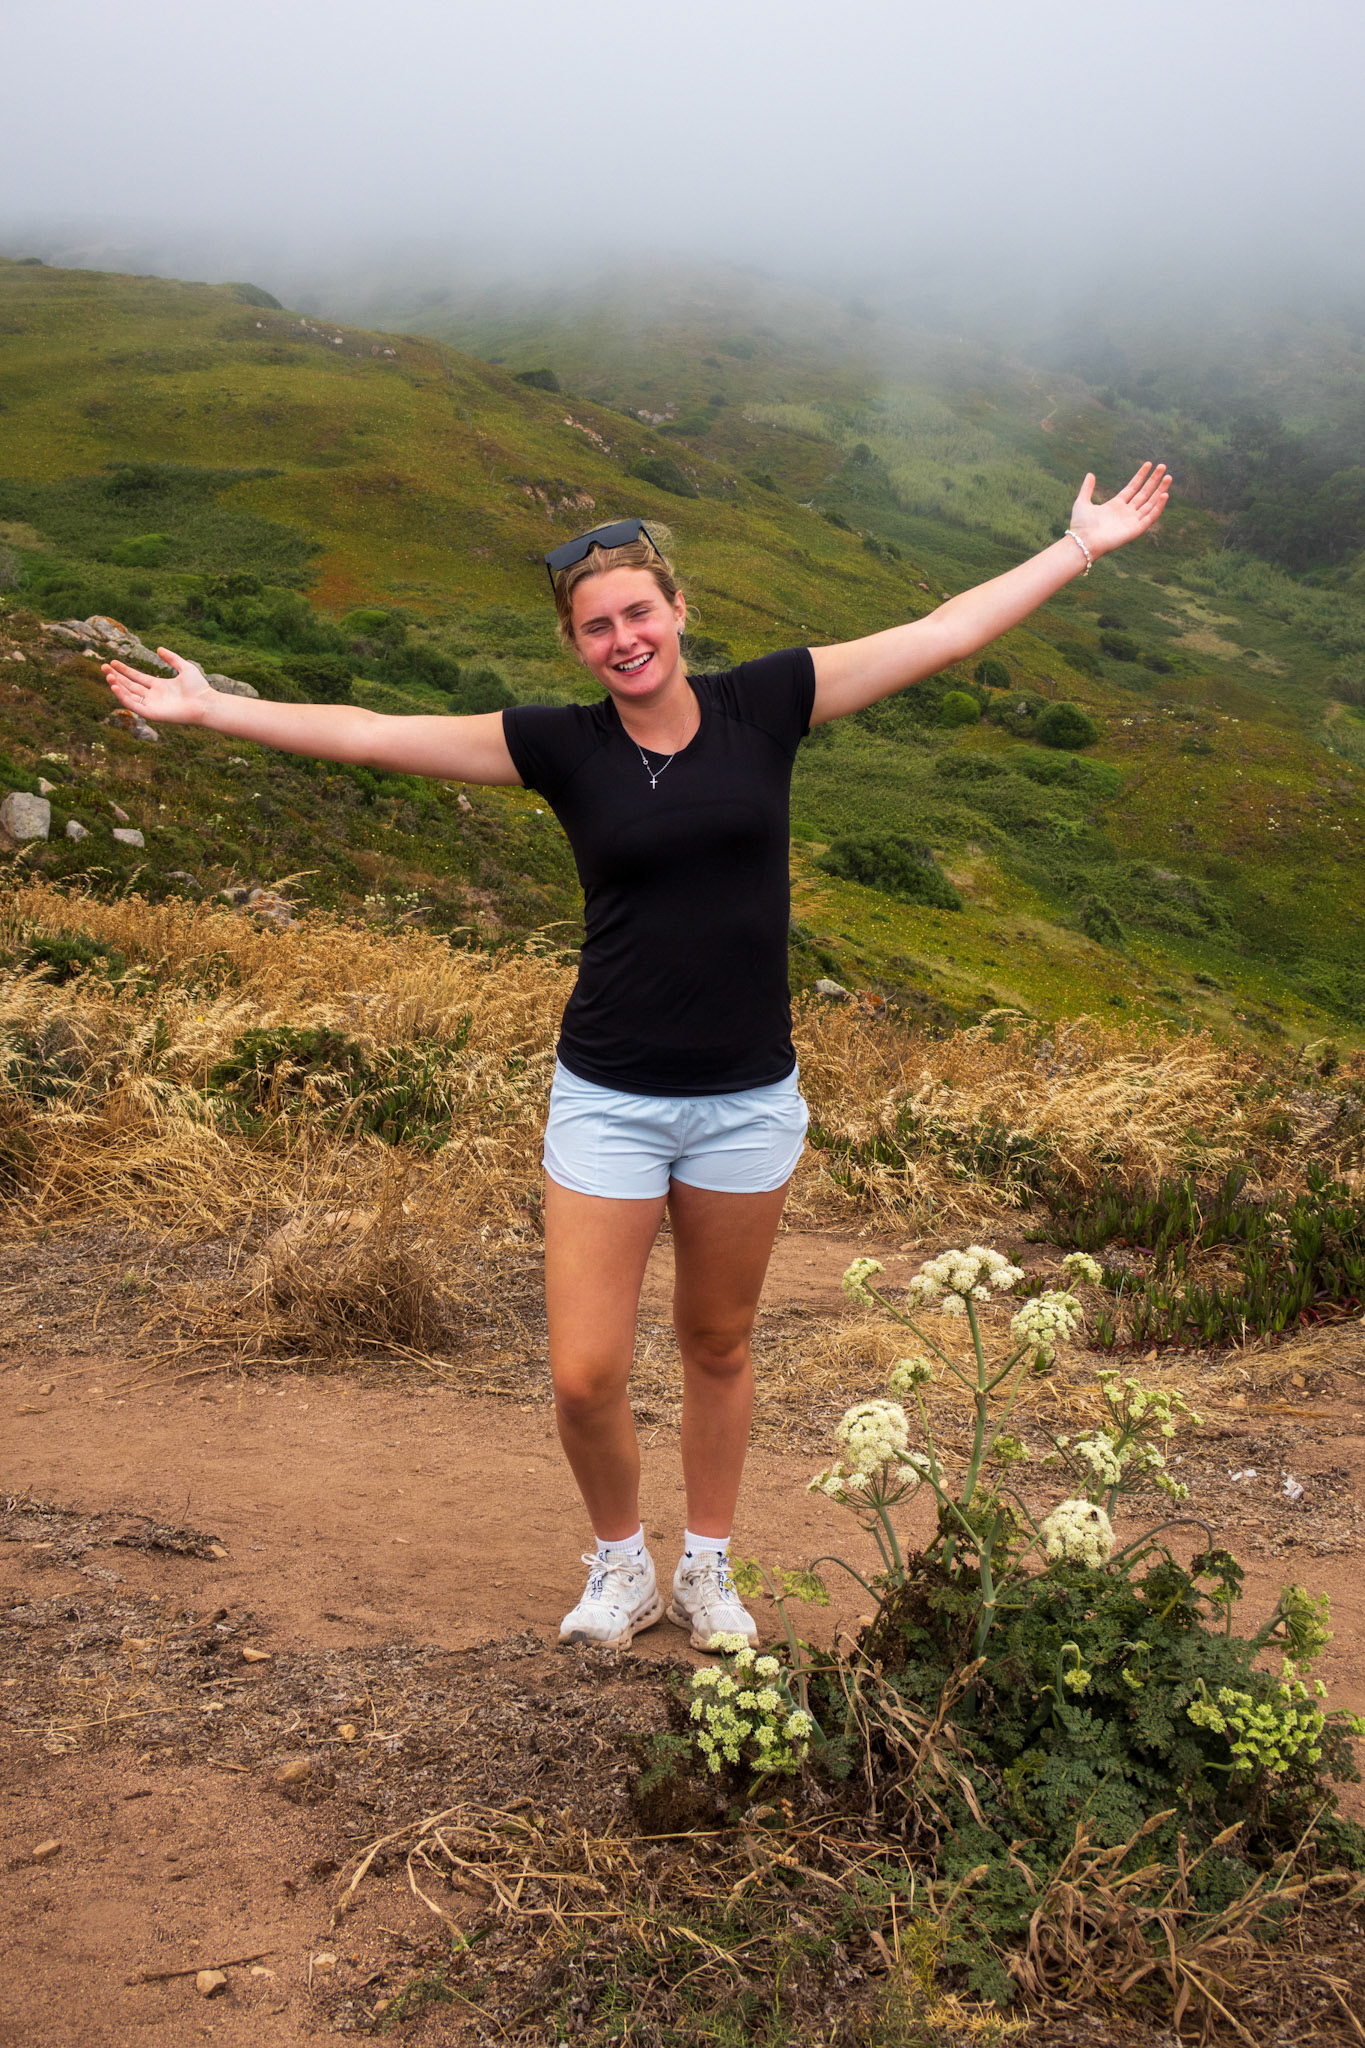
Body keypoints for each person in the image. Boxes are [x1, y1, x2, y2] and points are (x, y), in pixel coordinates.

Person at [103, 464, 1170, 1651]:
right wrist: (214, 708)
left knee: (717, 1342)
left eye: (639, 613)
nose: (624, 639)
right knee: (584, 1371)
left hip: (746, 1101)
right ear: (575, 644)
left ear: (677, 609)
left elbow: (942, 632)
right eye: (597, 626)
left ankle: (707, 1564)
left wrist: (1079, 546)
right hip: (609, 1096)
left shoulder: (768, 702)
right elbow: (369, 733)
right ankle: (622, 1563)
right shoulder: (560, 747)